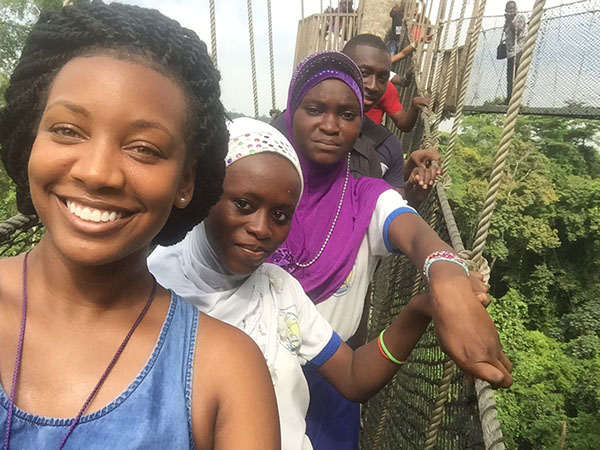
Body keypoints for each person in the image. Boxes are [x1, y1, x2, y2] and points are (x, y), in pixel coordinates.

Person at [0, 2, 279, 449]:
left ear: (185, 181)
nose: (96, 173)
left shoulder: (225, 373)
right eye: (68, 130)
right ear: (33, 137)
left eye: (144, 148)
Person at [148, 117, 491, 450]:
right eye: (243, 205)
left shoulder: (279, 289)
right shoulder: (145, 288)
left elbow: (353, 375)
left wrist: (422, 308)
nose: (262, 229)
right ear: (205, 195)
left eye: (281, 215)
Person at [268, 51, 513, 450]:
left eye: (348, 115)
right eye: (314, 109)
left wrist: (447, 283)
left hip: (334, 377)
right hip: (247, 369)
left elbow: (416, 235)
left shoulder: (365, 195)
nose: (331, 126)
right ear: (292, 111)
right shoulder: (256, 194)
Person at [342, 34, 441, 206]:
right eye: (364, 73)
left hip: (372, 146)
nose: (373, 85)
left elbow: (391, 208)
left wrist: (411, 196)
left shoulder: (387, 145)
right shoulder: (305, 128)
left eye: (382, 77)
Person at [504, 1, 528, 103]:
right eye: (509, 9)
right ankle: (509, 97)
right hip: (510, 52)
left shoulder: (520, 17)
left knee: (517, 74)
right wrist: (507, 21)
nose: (511, 11)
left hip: (519, 49)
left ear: (516, 9)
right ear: (505, 10)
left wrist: (509, 21)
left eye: (512, 9)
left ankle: (517, 98)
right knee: (509, 76)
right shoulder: (507, 21)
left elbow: (516, 31)